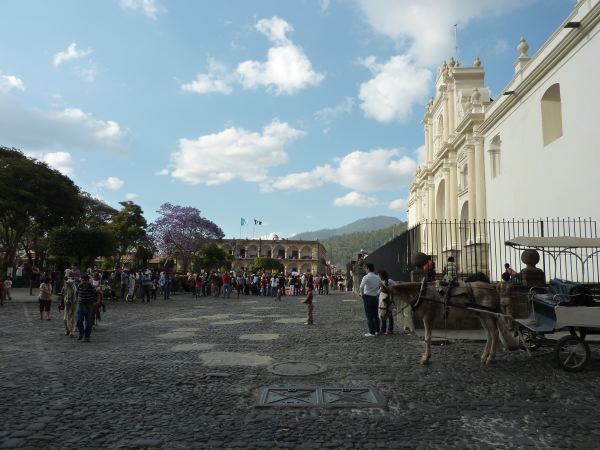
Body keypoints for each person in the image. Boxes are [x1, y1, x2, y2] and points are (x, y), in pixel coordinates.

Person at [359, 263, 380, 337]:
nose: (365, 270)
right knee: (376, 315)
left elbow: (361, 287)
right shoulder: (377, 277)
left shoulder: (366, 277)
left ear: (368, 268)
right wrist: (377, 293)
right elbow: (381, 286)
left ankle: (372, 332)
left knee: (369, 315)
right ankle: (377, 330)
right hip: (375, 297)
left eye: (365, 268)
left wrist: (362, 295)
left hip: (367, 297)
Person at [76, 274, 97, 342]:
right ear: (81, 280)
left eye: (85, 280)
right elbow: (76, 293)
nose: (84, 282)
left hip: (89, 306)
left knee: (88, 322)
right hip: (81, 305)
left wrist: (95, 302)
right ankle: (81, 332)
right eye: (83, 280)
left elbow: (96, 294)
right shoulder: (79, 286)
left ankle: (87, 337)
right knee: (79, 321)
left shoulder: (91, 287)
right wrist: (76, 300)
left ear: (88, 281)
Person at [378, 270, 396, 335]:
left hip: (385, 299)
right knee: (389, 314)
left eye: (379, 275)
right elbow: (396, 286)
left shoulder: (383, 282)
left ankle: (383, 329)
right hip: (388, 299)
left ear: (381, 276)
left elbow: (379, 292)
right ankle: (390, 330)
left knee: (384, 314)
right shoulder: (389, 281)